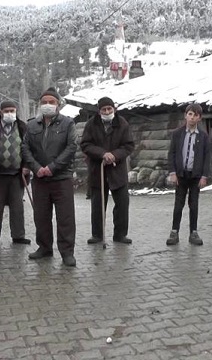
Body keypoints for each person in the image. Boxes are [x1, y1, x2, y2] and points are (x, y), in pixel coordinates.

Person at [22, 88, 78, 267]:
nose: (47, 105)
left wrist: (52, 168)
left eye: (51, 102)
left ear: (58, 104)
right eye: (44, 102)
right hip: (40, 179)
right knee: (41, 216)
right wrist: (37, 168)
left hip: (62, 178)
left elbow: (71, 147)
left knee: (65, 218)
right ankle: (44, 248)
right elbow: (25, 148)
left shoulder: (68, 123)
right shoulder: (32, 125)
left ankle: (67, 252)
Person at [81, 97, 135, 245]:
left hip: (117, 170)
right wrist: (102, 154)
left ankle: (120, 235)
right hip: (97, 169)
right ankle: (97, 235)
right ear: (99, 111)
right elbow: (85, 144)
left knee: (122, 204)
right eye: (103, 109)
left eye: (109, 109)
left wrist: (114, 155)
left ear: (114, 109)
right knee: (97, 204)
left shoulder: (122, 123)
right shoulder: (91, 124)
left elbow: (128, 145)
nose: (106, 112)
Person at [0, 100, 31, 246]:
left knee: (17, 207)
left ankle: (18, 235)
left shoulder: (22, 127)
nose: (10, 113)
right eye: (6, 111)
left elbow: (29, 148)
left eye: (12, 111)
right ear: (0, 112)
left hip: (17, 174)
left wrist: (26, 165)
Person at [165, 104, 211, 246]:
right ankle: (174, 231)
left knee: (194, 204)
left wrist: (204, 176)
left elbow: (207, 157)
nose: (192, 117)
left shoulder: (203, 136)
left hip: (195, 176)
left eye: (195, 115)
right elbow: (172, 153)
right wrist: (173, 172)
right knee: (178, 204)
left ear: (199, 118)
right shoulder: (177, 134)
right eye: (190, 114)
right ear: (185, 115)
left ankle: (193, 232)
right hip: (181, 175)